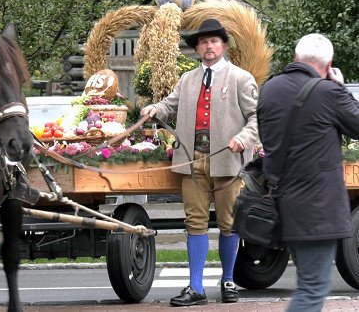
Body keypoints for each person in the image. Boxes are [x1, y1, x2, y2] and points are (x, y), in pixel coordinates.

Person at [141, 18, 258, 306]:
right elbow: (169, 106)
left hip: (229, 161)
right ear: (197, 49)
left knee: (229, 223)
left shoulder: (241, 78)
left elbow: (259, 118)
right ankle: (195, 288)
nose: (208, 46)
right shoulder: (187, 80)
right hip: (193, 161)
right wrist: (155, 108)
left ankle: (228, 280)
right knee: (195, 223)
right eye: (203, 42)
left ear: (224, 45)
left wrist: (244, 137)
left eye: (214, 41)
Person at [257, 33, 359, 311]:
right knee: (313, 290)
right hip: (319, 209)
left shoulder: (270, 89)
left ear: (295, 58)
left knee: (309, 283)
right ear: (329, 65)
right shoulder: (330, 92)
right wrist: (339, 87)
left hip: (284, 205)